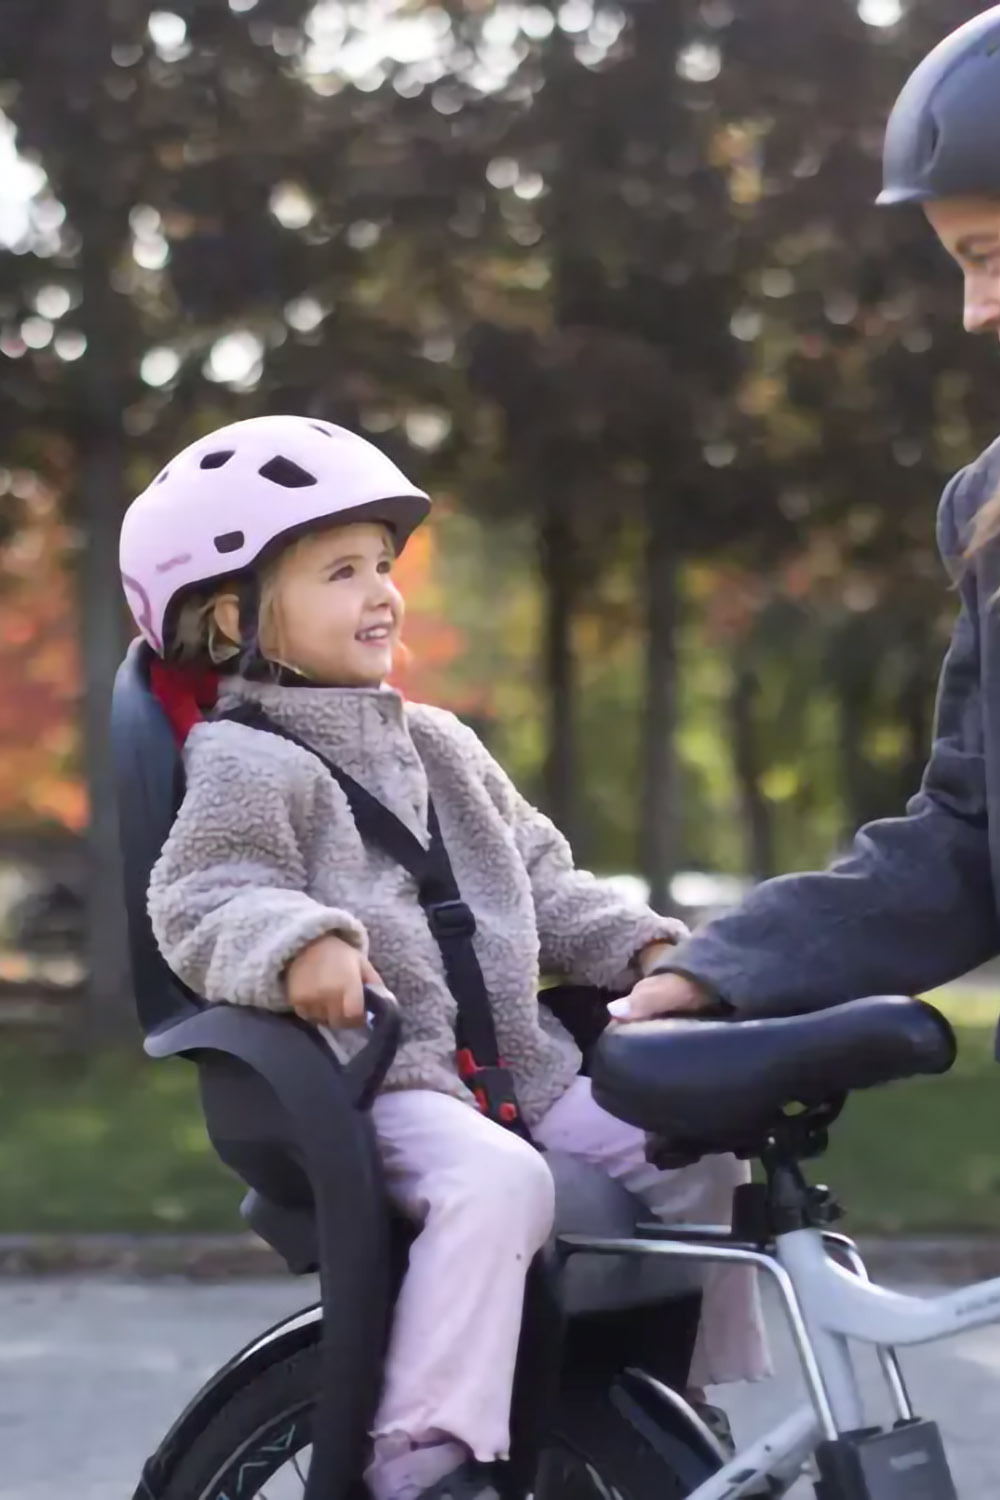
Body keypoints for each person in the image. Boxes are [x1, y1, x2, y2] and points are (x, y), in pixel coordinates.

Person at [119, 414, 768, 1500]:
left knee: (697, 1130)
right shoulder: (243, 761)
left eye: (383, 564)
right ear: (231, 615)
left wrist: (653, 948)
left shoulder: (443, 747)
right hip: (386, 1085)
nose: (382, 592)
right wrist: (298, 945)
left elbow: (549, 886)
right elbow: (199, 897)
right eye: (340, 571)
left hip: (521, 1076)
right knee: (497, 1184)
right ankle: (420, 1459)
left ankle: (668, 1392)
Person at [612, 5, 1000, 1031]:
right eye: (959, 263)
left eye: (990, 254)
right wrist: (727, 967)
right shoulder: (986, 518)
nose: (973, 310)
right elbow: (968, 834)